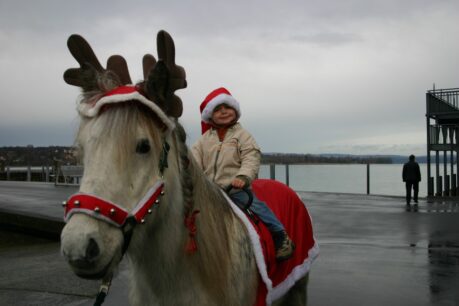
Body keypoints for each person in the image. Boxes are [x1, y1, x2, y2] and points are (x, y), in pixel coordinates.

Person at [192, 87, 295, 261]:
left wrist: (243, 177)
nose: (223, 111)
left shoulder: (243, 136)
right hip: (208, 190)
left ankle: (280, 235)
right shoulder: (203, 141)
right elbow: (193, 162)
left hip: (233, 187)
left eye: (227, 107)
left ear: (235, 111)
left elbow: (250, 157)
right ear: (210, 115)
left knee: (254, 205)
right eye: (218, 109)